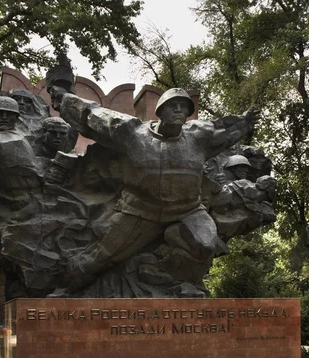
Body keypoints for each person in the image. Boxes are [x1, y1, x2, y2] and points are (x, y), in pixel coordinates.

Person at [48, 86, 259, 296]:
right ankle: (63, 292)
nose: (179, 111)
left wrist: (246, 121)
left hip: (187, 211)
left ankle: (162, 272)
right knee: (100, 257)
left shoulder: (199, 136)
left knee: (205, 245)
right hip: (141, 210)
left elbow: (224, 130)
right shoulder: (132, 133)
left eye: (183, 107)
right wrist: (65, 99)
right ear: (160, 111)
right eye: (173, 106)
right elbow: (92, 115)